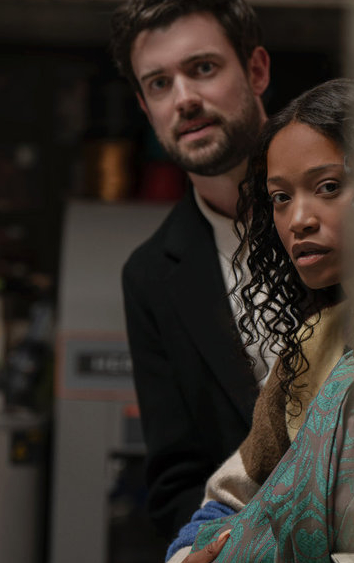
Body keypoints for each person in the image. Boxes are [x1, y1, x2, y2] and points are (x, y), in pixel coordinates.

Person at [170, 78, 354, 563]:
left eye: (329, 187)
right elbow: (226, 504)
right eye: (280, 198)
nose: (298, 218)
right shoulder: (310, 351)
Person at [110, 0, 274, 541]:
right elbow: (177, 479)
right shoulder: (150, 276)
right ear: (144, 105)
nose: (184, 99)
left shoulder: (353, 205)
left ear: (256, 71)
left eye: (202, 68)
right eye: (159, 84)